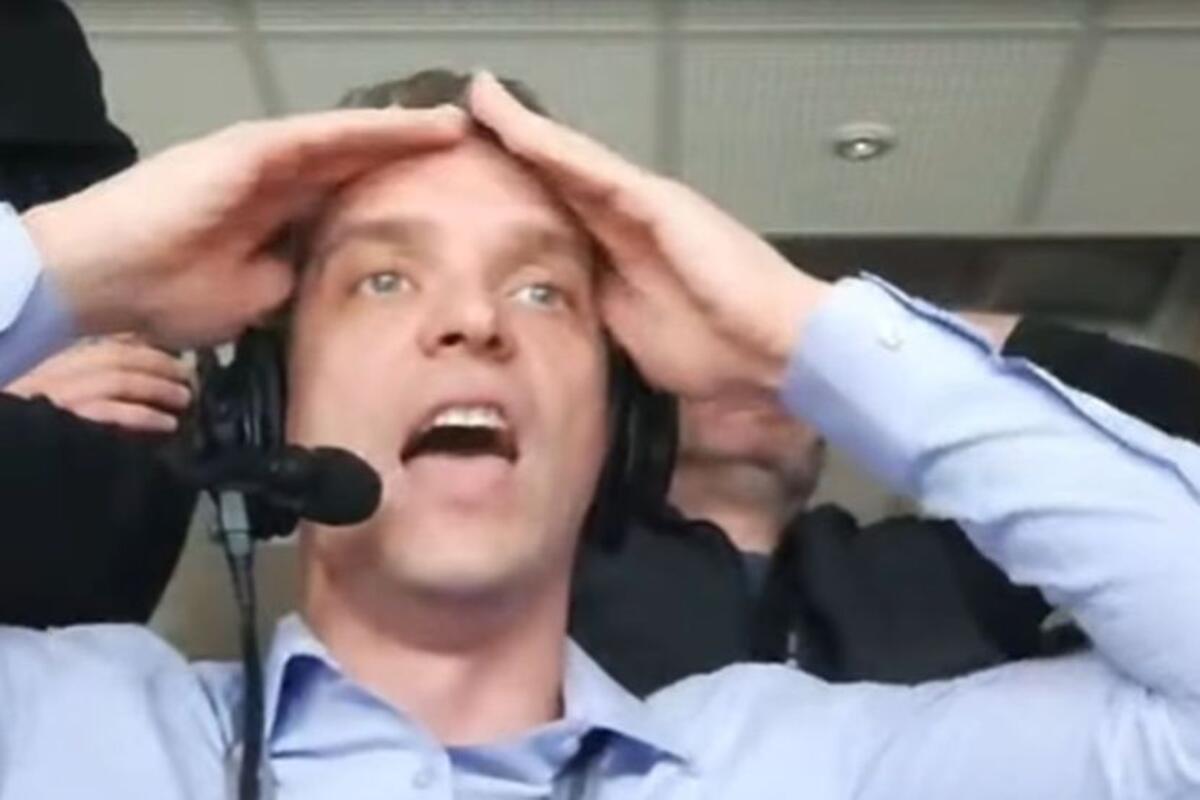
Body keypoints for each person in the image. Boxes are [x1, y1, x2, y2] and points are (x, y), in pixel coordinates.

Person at [0, 68, 1196, 799]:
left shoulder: (800, 765)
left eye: (541, 291)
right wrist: (66, 264)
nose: (473, 321)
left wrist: (801, 332)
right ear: (270, 404)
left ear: (617, 427)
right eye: (383, 281)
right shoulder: (61, 726)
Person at [572, 314, 1200, 694]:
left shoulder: (918, 578)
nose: (751, 378)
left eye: (769, 366)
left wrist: (830, 328)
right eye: (714, 358)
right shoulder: (566, 564)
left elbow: (1174, 417)